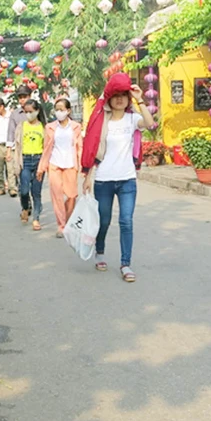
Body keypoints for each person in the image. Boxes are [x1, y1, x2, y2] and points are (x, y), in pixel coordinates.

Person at [81, 73, 157, 283]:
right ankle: (101, 251)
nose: (120, 99)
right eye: (116, 95)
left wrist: (140, 98)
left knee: (126, 221)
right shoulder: (101, 121)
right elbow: (92, 147)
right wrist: (87, 176)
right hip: (103, 179)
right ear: (109, 99)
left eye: (124, 95)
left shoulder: (132, 119)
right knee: (104, 221)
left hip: (127, 180)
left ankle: (125, 264)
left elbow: (150, 123)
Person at [38, 98, 84, 238]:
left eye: (62, 109)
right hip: (54, 164)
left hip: (70, 164)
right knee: (57, 196)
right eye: (57, 109)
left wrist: (83, 166)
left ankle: (67, 219)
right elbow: (46, 148)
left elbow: (79, 147)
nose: (59, 112)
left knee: (71, 196)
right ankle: (61, 226)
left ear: (68, 111)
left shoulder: (76, 127)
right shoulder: (50, 127)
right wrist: (41, 167)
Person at [13, 99, 46, 230]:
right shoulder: (21, 126)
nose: (28, 114)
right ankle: (25, 208)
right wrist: (16, 163)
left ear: (37, 111)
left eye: (31, 112)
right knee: (24, 190)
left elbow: (47, 147)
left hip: (38, 160)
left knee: (36, 192)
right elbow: (17, 145)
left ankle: (36, 218)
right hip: (25, 161)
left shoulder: (43, 127)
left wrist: (43, 165)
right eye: (26, 112)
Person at [6, 84, 33, 197]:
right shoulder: (15, 114)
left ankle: (35, 203)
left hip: (36, 151)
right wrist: (8, 151)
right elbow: (10, 133)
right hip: (20, 152)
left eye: (24, 96)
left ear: (30, 96)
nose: (22, 99)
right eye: (20, 97)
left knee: (34, 181)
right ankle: (26, 205)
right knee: (23, 179)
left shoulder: (38, 111)